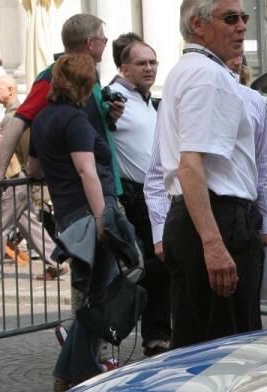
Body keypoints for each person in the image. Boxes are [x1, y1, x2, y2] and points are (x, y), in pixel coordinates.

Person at [27, 54, 139, 392]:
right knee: (100, 295)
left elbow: (33, 171)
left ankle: (66, 373)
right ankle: (83, 373)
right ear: (85, 83)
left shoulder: (43, 119)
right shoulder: (74, 120)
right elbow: (87, 171)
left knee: (94, 293)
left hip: (67, 216)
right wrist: (102, 216)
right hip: (88, 214)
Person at [157, 0, 262, 349]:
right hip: (216, 218)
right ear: (198, 25)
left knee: (202, 342)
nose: (242, 26)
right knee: (223, 351)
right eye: (230, 18)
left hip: (206, 217)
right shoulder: (206, 74)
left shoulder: (193, 70)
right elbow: (190, 164)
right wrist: (214, 244)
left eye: (244, 17)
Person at [0, 14, 125, 198]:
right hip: (83, 193)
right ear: (90, 43)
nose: (105, 44)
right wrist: (0, 169)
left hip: (104, 183)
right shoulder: (53, 77)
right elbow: (19, 120)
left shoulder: (90, 74)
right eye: (103, 40)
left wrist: (109, 115)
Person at [107, 34, 171, 356]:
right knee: (149, 270)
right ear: (123, 68)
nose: (149, 68)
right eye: (141, 63)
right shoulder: (112, 99)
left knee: (159, 269)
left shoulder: (149, 100)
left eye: (153, 62)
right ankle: (118, 332)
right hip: (136, 197)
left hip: (159, 195)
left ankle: (157, 335)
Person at [0, 75, 59, 283]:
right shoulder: (11, 116)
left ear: (10, 89)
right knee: (29, 225)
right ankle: (57, 262)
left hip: (13, 178)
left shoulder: (16, 117)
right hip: (16, 178)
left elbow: (27, 147)